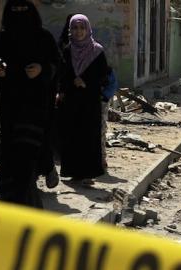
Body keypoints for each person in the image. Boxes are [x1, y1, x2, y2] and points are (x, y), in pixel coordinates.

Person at [0, 0, 61, 208]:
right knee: (11, 146)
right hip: (11, 103)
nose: (20, 14)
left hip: (36, 103)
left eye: (24, 10)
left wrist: (42, 69)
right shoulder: (1, 37)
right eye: (15, 10)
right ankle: (8, 192)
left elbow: (57, 65)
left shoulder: (44, 37)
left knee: (28, 147)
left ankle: (26, 194)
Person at [58, 14, 109, 185]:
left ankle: (88, 173)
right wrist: (68, 84)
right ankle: (73, 173)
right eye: (75, 28)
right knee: (71, 135)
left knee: (89, 136)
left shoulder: (97, 51)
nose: (78, 32)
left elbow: (104, 76)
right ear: (70, 30)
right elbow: (61, 75)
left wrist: (86, 82)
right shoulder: (67, 50)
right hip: (72, 100)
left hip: (90, 100)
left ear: (88, 29)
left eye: (82, 28)